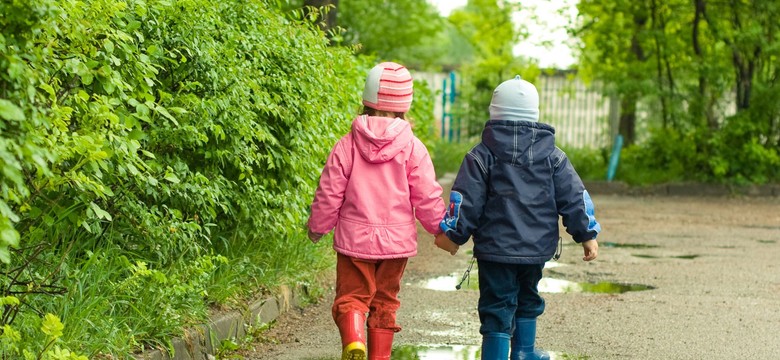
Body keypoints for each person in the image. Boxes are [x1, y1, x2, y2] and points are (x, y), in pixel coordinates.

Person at [433, 75, 601, 360]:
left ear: (494, 113)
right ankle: (523, 352)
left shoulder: (480, 155)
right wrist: (587, 234)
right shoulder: (553, 157)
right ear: (535, 115)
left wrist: (453, 235)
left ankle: (497, 355)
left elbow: (466, 200)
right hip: (536, 250)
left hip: (495, 251)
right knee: (528, 296)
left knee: (497, 304)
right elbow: (574, 197)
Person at [307, 62, 446, 360]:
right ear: (403, 106)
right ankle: (379, 357)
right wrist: (440, 228)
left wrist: (318, 226)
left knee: (352, 298)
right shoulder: (413, 147)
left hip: (354, 242)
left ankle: (354, 340)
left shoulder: (346, 145)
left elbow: (329, 191)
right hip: (396, 246)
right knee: (385, 301)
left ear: (366, 101)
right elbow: (426, 193)